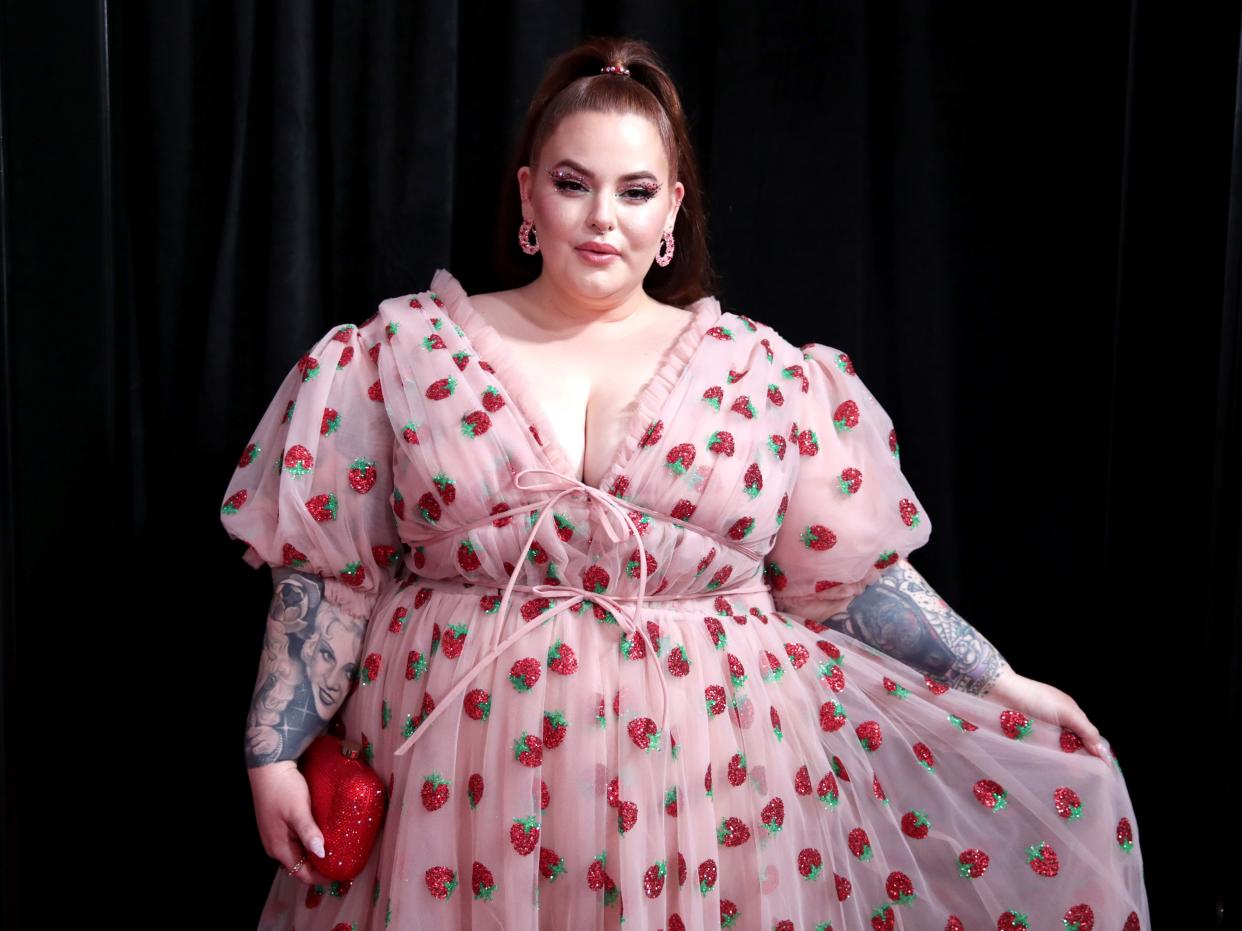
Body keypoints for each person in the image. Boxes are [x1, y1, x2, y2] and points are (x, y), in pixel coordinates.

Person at [221, 35, 1150, 931]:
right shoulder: (400, 352)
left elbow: (851, 579)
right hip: (460, 791)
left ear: (671, 211)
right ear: (527, 193)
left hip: (707, 791)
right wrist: (272, 750)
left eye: (633, 192)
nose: (601, 217)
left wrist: (1002, 679)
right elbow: (329, 580)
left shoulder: (765, 372)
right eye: (572, 182)